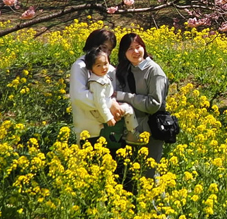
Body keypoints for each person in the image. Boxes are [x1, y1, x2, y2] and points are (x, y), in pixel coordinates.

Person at [115, 32, 169, 175]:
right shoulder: (125, 71)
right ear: (123, 53)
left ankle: (158, 198)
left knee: (149, 175)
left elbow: (153, 104)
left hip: (152, 129)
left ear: (143, 47)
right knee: (132, 175)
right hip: (131, 130)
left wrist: (124, 96)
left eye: (138, 47)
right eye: (130, 49)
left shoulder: (154, 71)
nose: (135, 52)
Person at [68, 30, 130, 144]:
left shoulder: (110, 69)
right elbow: (80, 97)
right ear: (93, 45)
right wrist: (110, 104)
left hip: (112, 129)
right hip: (89, 130)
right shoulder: (80, 66)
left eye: (110, 50)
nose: (106, 53)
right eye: (103, 47)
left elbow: (113, 93)